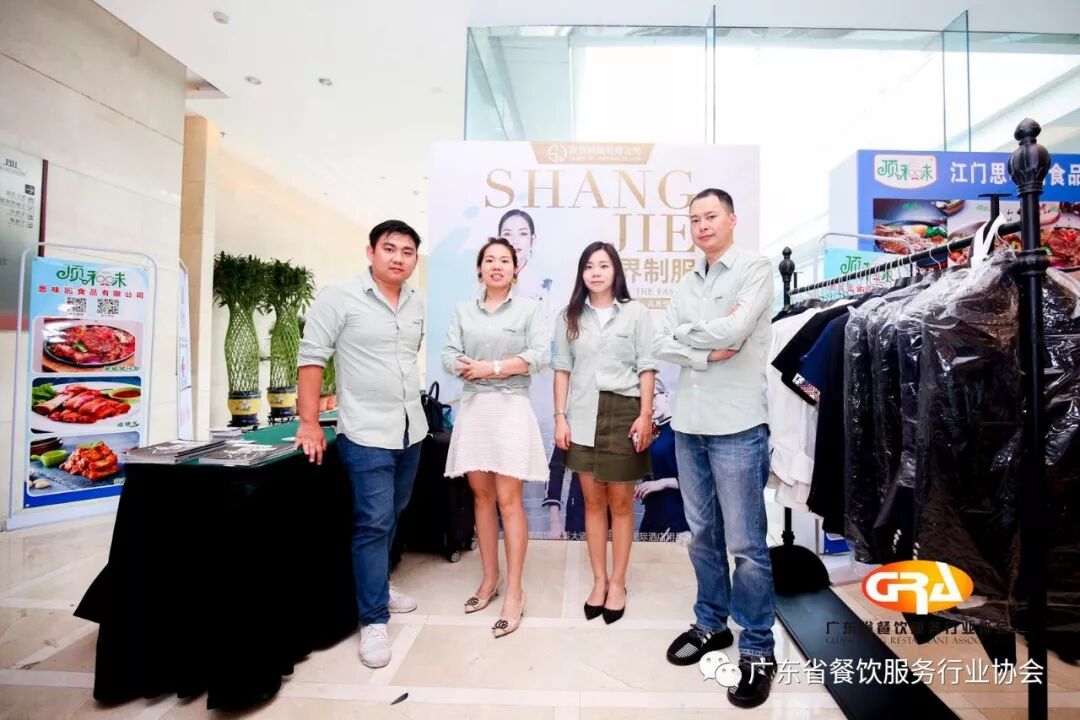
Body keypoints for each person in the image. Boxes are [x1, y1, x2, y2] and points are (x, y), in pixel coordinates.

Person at [651, 188, 778, 709]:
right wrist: (704, 351)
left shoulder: (755, 269)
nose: (702, 226)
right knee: (702, 535)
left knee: (746, 544)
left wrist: (688, 336)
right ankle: (711, 623)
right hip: (689, 424)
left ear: (731, 219)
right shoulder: (686, 282)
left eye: (711, 216)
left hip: (739, 424)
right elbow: (661, 342)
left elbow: (738, 329)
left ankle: (758, 648)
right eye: (695, 219)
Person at [295, 220, 426, 670]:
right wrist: (309, 422)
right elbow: (312, 358)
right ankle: (372, 620)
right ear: (370, 251)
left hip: (411, 429)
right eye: (390, 248)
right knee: (372, 522)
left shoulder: (415, 302)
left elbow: (407, 356)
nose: (398, 258)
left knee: (394, 512)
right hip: (366, 432)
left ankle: (380, 587)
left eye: (407, 252)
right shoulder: (339, 297)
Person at [442, 237, 550, 638]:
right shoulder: (463, 310)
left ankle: (515, 591)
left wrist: (493, 368)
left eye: (505, 260)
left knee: (508, 500)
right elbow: (448, 355)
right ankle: (490, 579)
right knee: (481, 497)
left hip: (510, 409)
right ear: (480, 268)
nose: (497, 265)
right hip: (474, 410)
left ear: (515, 269)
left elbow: (539, 355)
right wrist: (466, 366)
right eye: (490, 259)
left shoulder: (529, 310)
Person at [553, 242, 657, 624]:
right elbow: (562, 369)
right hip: (582, 416)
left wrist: (645, 415)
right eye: (589, 266)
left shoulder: (636, 314)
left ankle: (618, 582)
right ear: (581, 273)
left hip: (624, 413)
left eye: (603, 265)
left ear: (616, 272)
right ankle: (599, 580)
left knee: (622, 504)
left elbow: (647, 367)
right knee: (592, 503)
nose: (595, 273)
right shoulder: (569, 317)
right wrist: (560, 417)